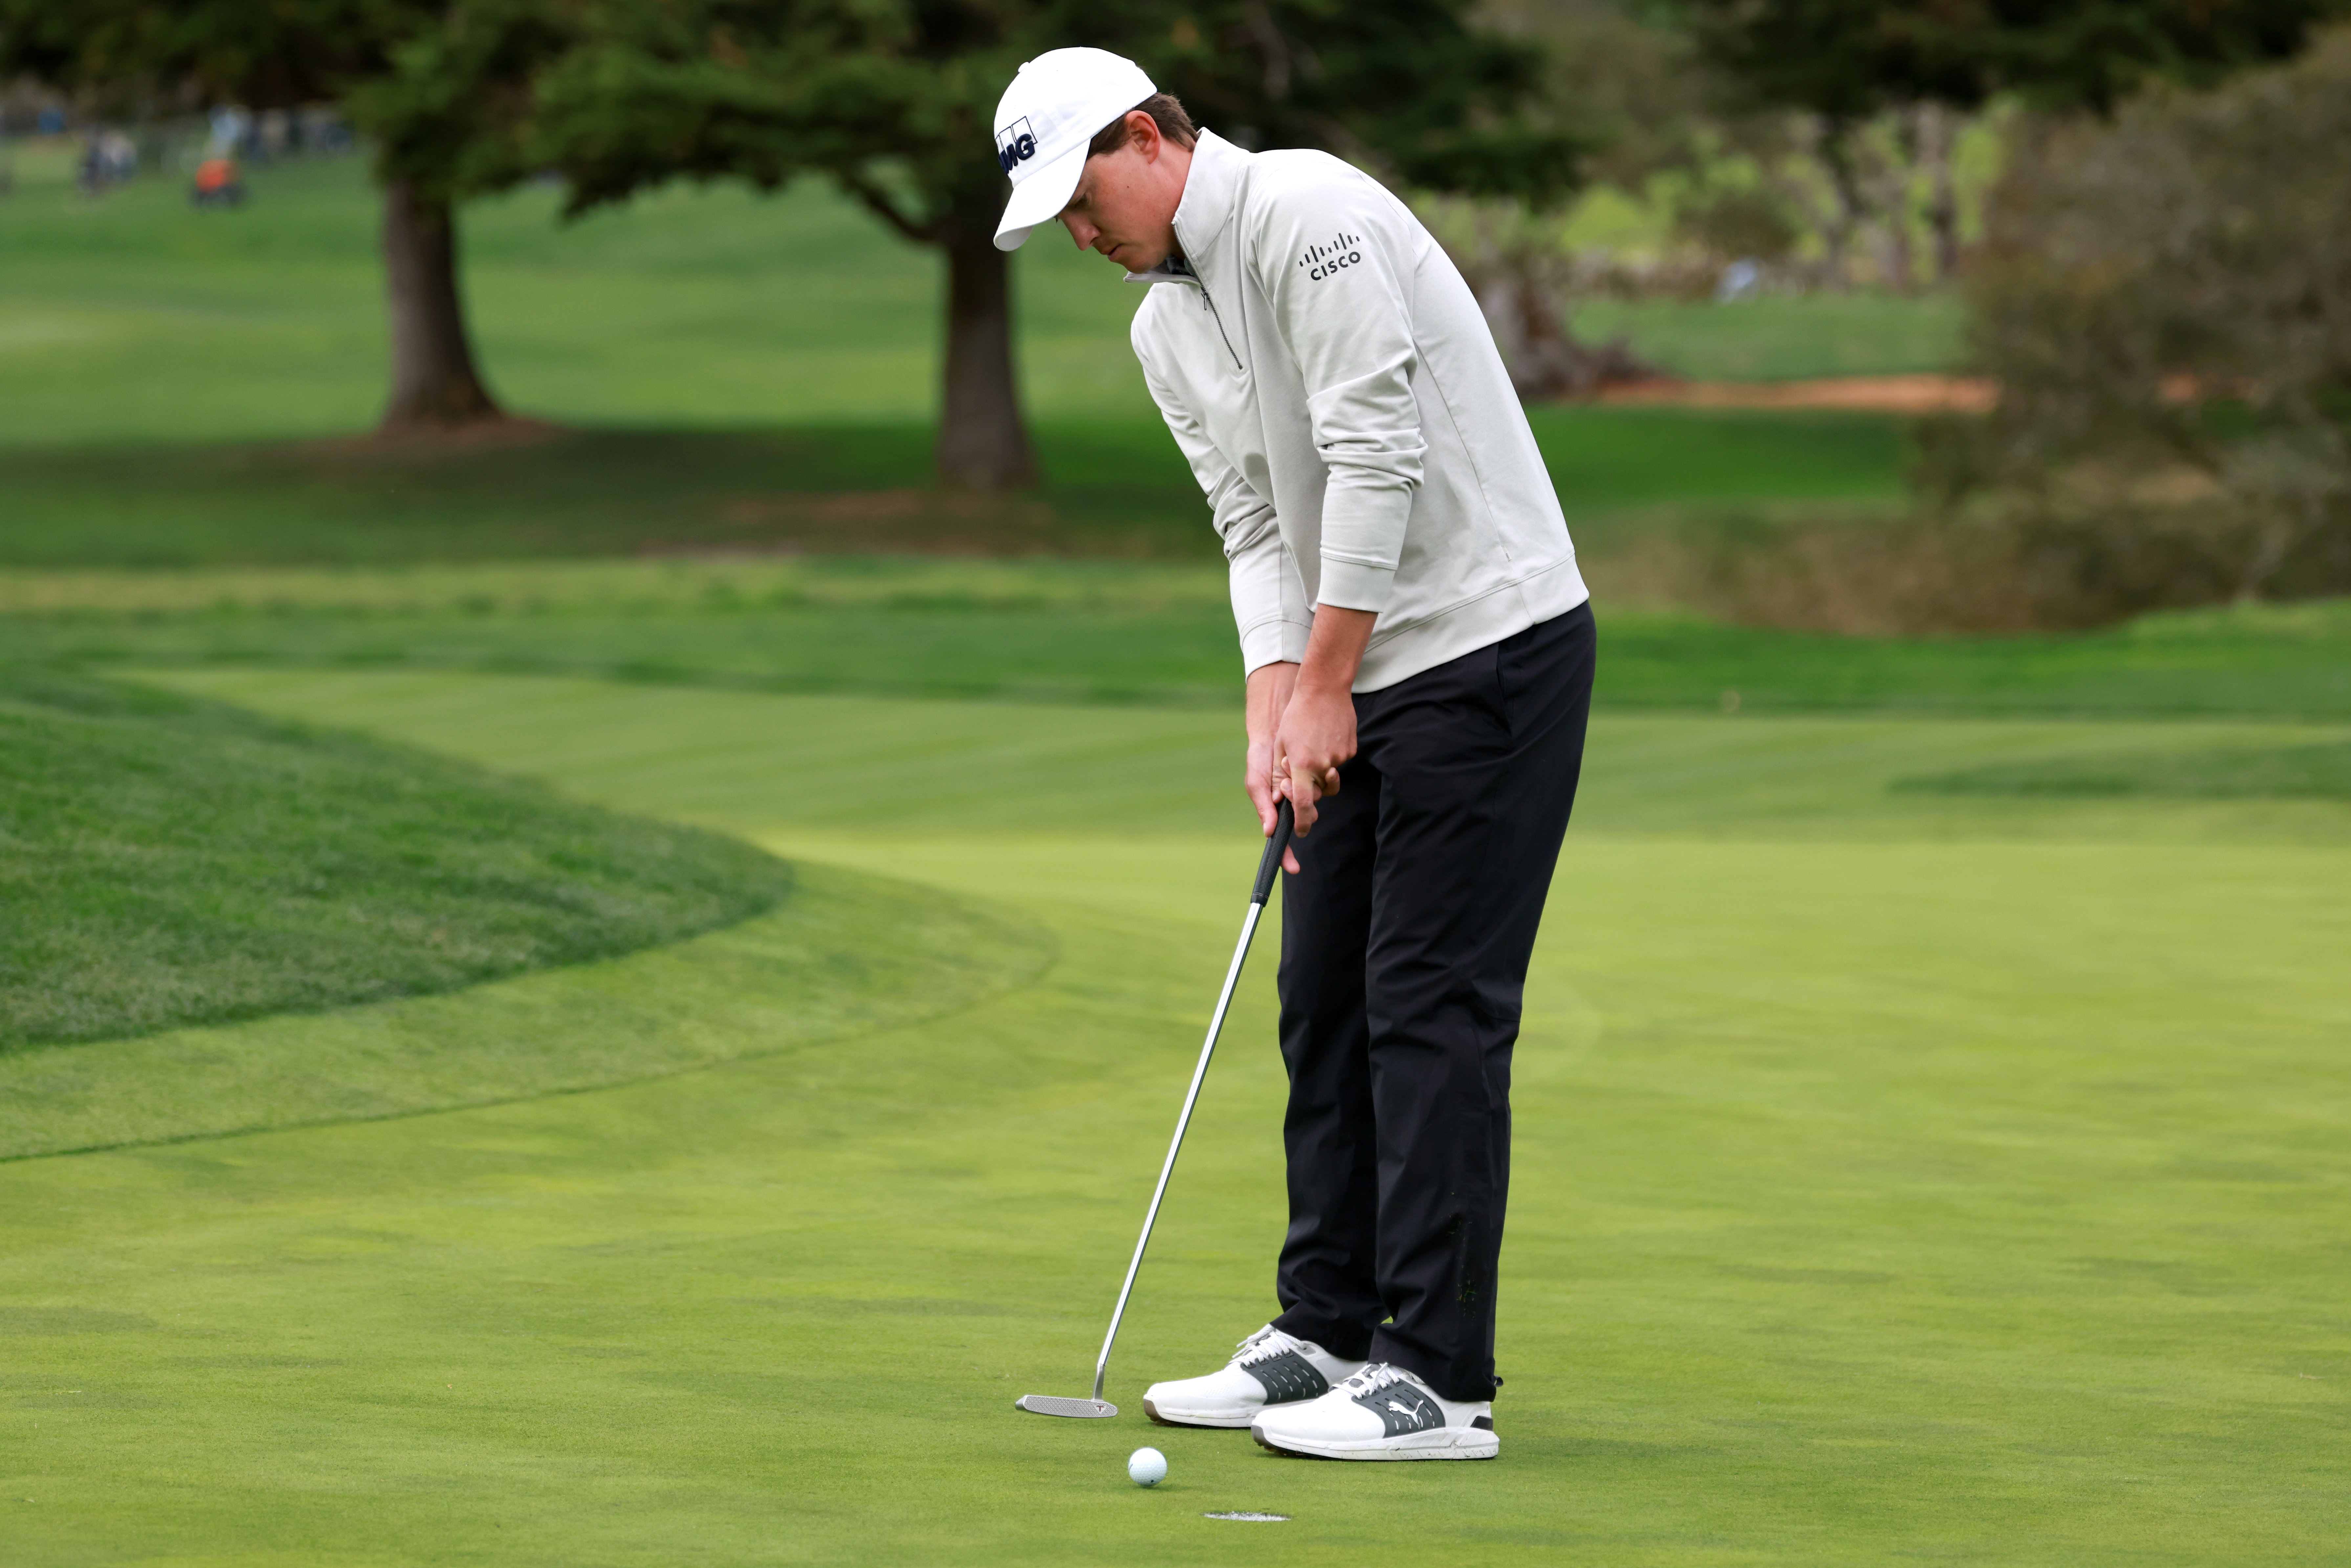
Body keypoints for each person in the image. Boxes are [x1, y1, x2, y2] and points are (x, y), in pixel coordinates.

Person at [991, 49, 1596, 1462]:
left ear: (1146, 138)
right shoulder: (1163, 328)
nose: (1081, 239)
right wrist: (1275, 707)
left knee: (1426, 1004)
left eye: (1083, 199)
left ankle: (1438, 1381)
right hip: (1351, 665)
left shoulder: (1306, 213)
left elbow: (1370, 454)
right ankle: (1324, 1326)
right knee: (1319, 995)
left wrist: (1328, 683)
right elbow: (1254, 524)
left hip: (1484, 646)